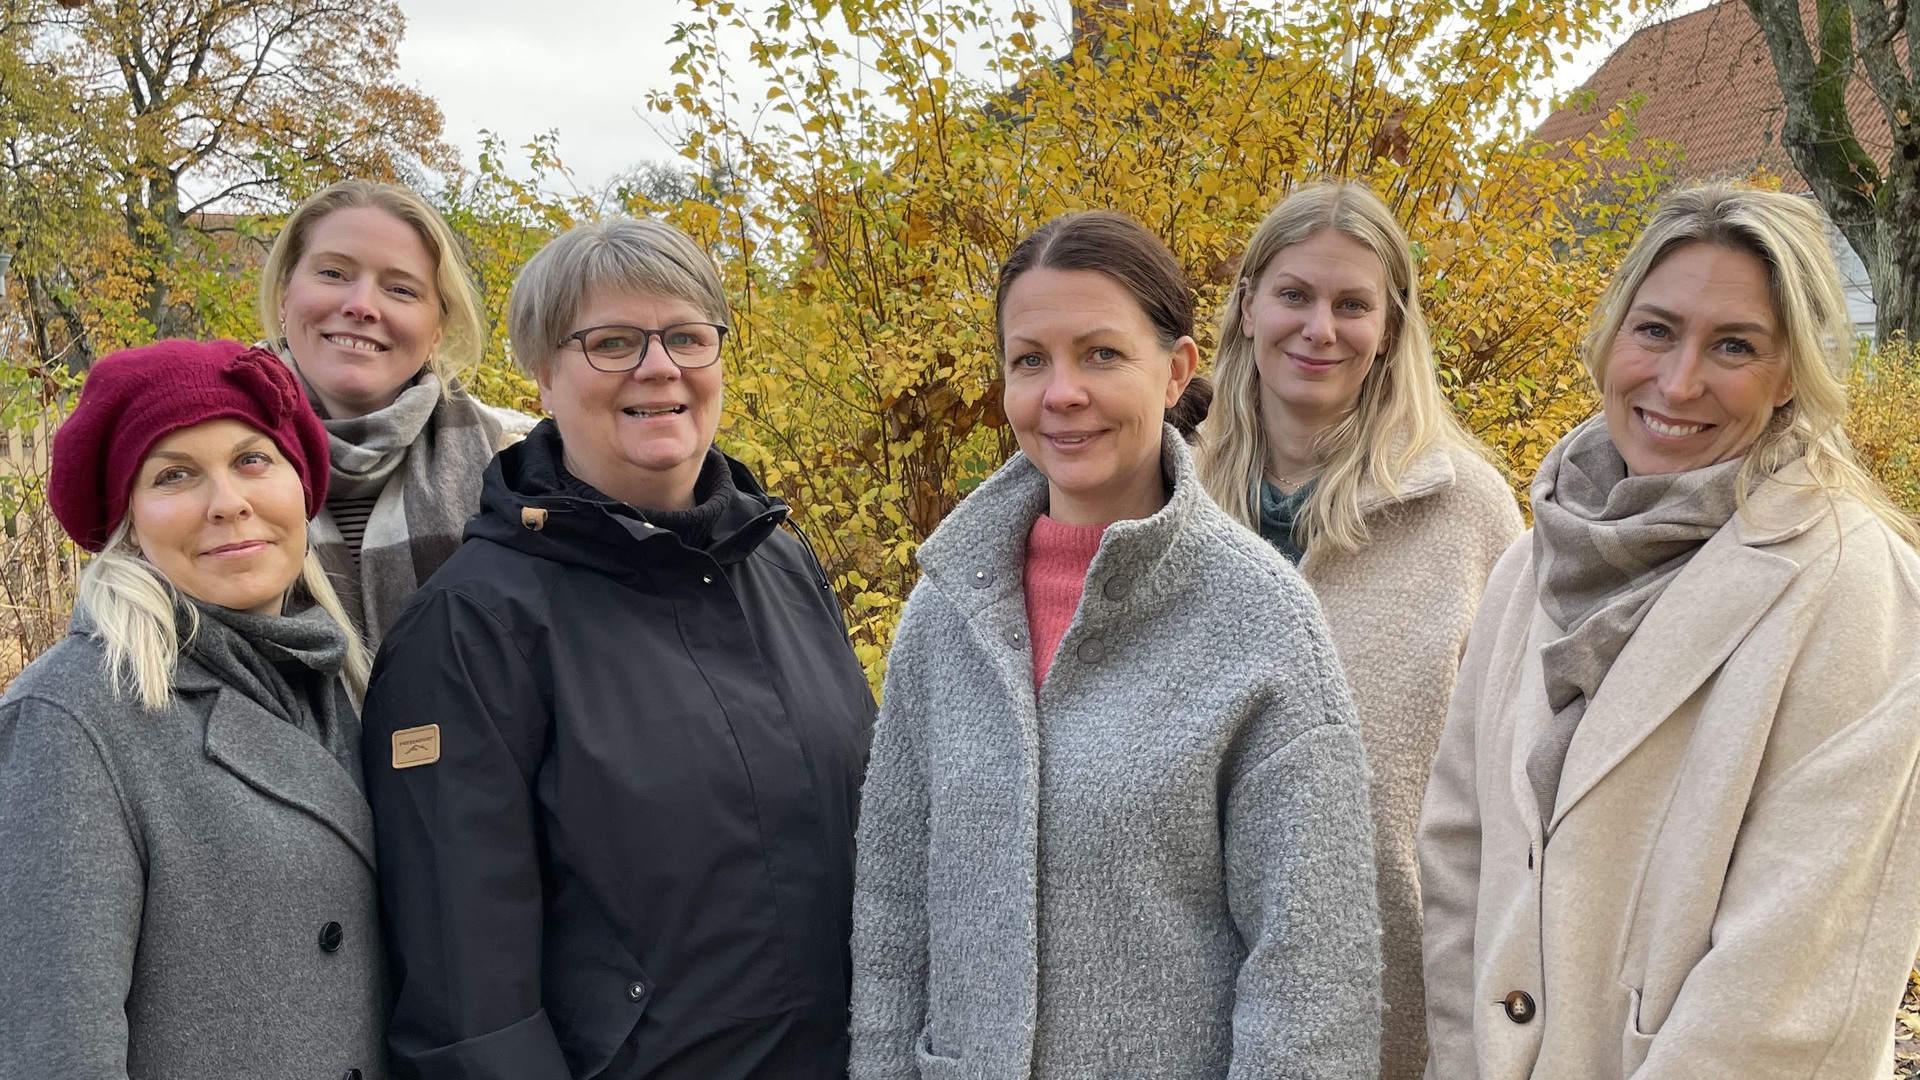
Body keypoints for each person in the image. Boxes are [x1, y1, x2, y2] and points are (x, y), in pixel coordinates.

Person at [849, 210, 1383, 1079]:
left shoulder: (1259, 620)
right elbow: (894, 911)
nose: (1062, 392)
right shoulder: (945, 611)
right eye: (1031, 361)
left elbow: (1312, 968)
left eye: (1101, 354)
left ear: (1174, 372)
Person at [1419, 182, 1920, 1079]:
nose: (1679, 382)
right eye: (1655, 330)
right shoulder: (1531, 562)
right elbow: (1459, 855)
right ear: (1611, 336)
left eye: (1735, 346)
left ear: (1790, 377)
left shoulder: (1859, 588)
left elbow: (1797, 981)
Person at [359, 217, 876, 1080]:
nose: (659, 366)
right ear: (542, 373)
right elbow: (468, 1008)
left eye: (685, 336)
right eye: (611, 343)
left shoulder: (780, 561)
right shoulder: (471, 629)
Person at [1195, 179, 1522, 1080]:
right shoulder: (1162, 505)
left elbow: (1520, 768)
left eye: (1352, 305)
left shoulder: (1463, 510)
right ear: (1249, 304)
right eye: (1295, 295)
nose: (1319, 328)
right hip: (1188, 981)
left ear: (1389, 330)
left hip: (1396, 985)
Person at [0, 340, 383, 1079]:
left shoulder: (340, 683)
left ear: (299, 486)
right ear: (129, 523)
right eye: (175, 475)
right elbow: (54, 1048)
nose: (228, 502)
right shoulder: (73, 714)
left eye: (251, 460)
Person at [259, 179, 533, 654]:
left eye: (401, 289)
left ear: (436, 331)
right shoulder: (197, 452)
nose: (362, 305)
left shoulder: (514, 468)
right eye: (332, 273)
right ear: (285, 298)